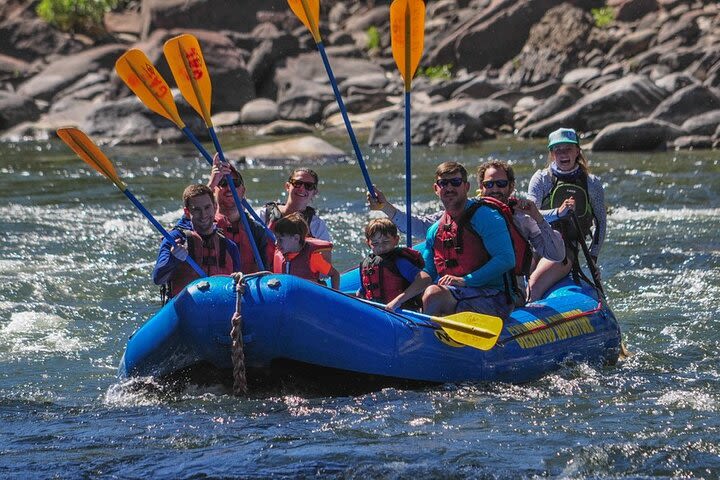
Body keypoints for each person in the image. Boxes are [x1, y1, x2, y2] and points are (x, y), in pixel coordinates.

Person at [420, 162, 516, 318]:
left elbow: (506, 259)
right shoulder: (435, 230)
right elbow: (427, 272)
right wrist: (399, 299)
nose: (449, 188)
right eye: (443, 183)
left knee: (433, 294)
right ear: (436, 189)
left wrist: (465, 281)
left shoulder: (486, 216)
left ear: (466, 187)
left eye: (456, 182)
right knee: (421, 296)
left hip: (495, 298)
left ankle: (422, 340)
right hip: (459, 294)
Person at [527, 127, 607, 301]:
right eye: (558, 149)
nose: (563, 153)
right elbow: (529, 214)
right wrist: (558, 212)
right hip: (537, 243)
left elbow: (601, 222)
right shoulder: (541, 179)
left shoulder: (591, 183)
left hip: (564, 249)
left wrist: (593, 255)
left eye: (568, 148)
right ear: (552, 153)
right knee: (519, 284)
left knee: (533, 285)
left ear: (577, 151)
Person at [476, 160, 565, 301]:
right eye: (489, 184)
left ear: (511, 187)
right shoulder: (468, 212)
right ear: (481, 186)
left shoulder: (522, 217)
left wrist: (537, 216)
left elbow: (556, 254)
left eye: (501, 184)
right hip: (473, 286)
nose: (494, 189)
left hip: (510, 291)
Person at [153, 184, 241, 299]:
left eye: (207, 208)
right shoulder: (174, 240)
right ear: (187, 212)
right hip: (185, 309)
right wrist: (173, 259)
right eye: (197, 210)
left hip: (219, 307)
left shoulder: (230, 247)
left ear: (215, 207)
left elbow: (239, 290)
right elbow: (158, 279)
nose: (203, 215)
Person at [207, 155, 270, 273]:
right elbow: (187, 222)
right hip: (213, 288)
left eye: (234, 183)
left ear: (243, 191)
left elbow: (265, 271)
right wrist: (211, 184)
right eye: (223, 183)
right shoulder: (204, 224)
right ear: (214, 191)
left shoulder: (256, 230)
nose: (229, 188)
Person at [358, 218, 432, 311]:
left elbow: (425, 279)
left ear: (396, 240)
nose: (381, 246)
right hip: (377, 312)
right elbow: (365, 290)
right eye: (375, 243)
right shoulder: (367, 264)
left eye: (386, 242)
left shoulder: (399, 261)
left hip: (401, 313)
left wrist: (397, 301)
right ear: (368, 243)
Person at [272, 212, 340, 289]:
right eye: (276, 238)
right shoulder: (281, 254)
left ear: (296, 238)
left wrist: (335, 295)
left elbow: (334, 274)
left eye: (280, 239)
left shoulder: (313, 258)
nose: (276, 243)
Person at [264, 168, 331, 242]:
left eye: (308, 186)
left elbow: (325, 253)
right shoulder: (264, 214)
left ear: (314, 193)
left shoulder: (317, 226)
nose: (301, 188)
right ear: (287, 186)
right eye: (297, 183)